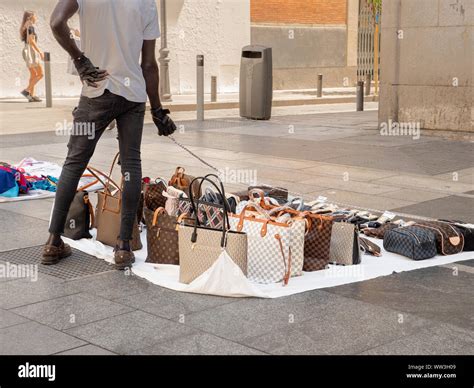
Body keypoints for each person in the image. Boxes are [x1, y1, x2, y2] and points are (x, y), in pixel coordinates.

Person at [44, 0, 177, 269]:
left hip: (96, 91)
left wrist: (80, 60)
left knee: (74, 164)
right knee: (131, 164)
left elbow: (56, 23)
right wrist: (158, 110)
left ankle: (53, 241)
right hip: (133, 96)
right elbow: (149, 65)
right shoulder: (146, 4)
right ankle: (124, 246)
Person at [20, 11, 44, 102]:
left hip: (26, 51)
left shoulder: (24, 27)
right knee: (40, 74)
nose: (36, 18)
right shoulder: (30, 27)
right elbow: (31, 41)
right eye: (35, 16)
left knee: (33, 74)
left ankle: (31, 95)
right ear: (30, 17)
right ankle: (26, 91)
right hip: (31, 52)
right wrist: (40, 52)